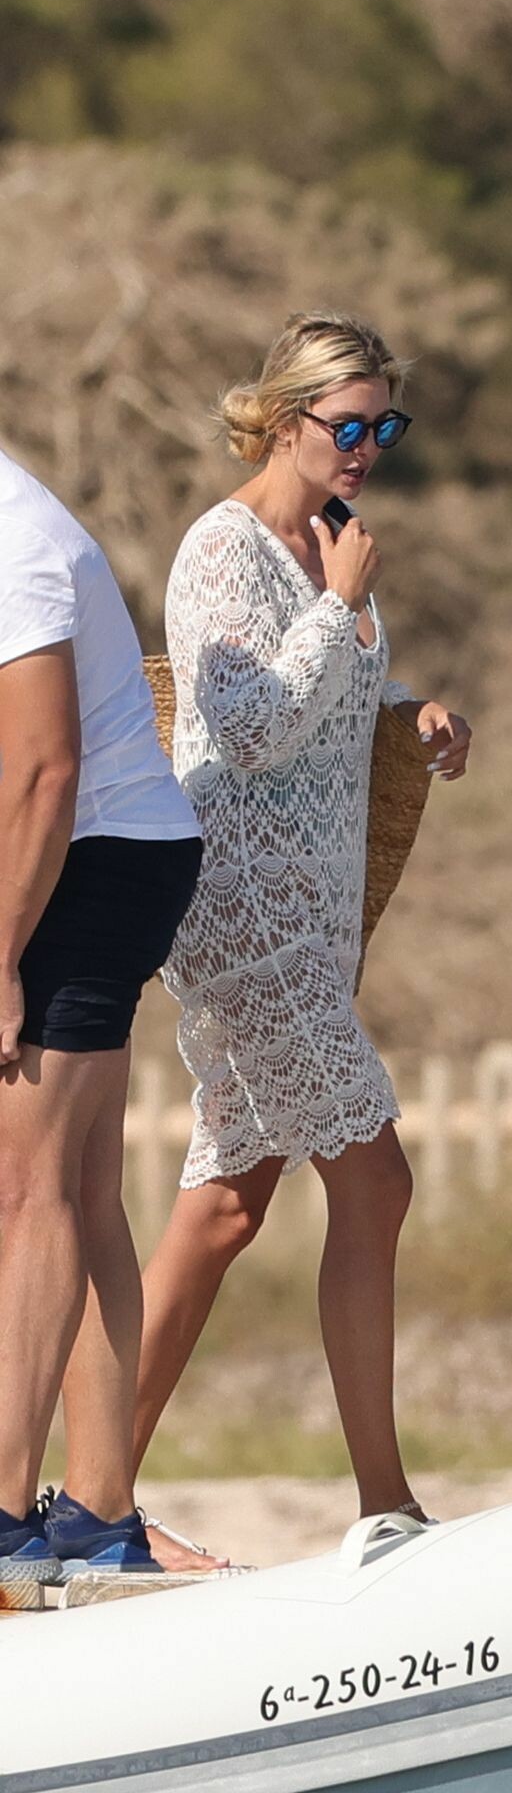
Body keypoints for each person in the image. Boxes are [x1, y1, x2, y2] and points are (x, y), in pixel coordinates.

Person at [132, 314, 471, 1570]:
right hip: (239, 917)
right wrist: (340, 606)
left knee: (226, 1209)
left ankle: (83, 1498)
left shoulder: (332, 541)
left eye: (386, 426)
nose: (368, 448)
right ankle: (388, 1507)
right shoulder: (220, 549)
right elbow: (249, 728)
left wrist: (412, 712)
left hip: (311, 926)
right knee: (377, 1182)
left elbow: (327, 704)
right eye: (348, 425)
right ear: (284, 422)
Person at [0, 444, 203, 1583]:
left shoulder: (13, 544)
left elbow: (45, 771)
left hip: (96, 858)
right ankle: (100, 1516)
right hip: (83, 854)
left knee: (23, 1189)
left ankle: (6, 1529)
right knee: (74, 1187)